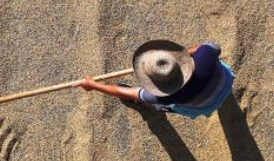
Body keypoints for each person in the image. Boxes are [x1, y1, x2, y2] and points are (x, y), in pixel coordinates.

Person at [80, 39, 235, 118]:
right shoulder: (206, 55)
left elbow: (130, 93)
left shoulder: (167, 96)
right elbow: (212, 47)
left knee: (154, 102)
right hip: (225, 82)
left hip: (203, 106)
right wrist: (184, 55)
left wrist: (93, 85)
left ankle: (157, 109)